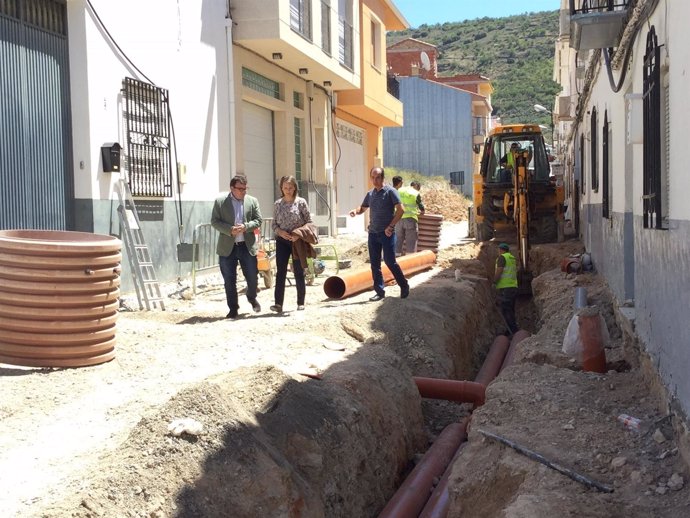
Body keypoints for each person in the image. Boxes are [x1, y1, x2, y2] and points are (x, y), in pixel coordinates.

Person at [349, 167, 410, 301]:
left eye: (377, 177)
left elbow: (401, 210)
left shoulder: (390, 192)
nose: (375, 180)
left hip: (386, 234)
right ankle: (380, 291)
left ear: (382, 178)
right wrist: (355, 211)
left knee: (390, 261)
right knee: (375, 264)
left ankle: (404, 285)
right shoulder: (370, 194)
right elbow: (363, 207)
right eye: (373, 177)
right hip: (373, 234)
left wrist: (391, 226)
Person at [211, 175, 263, 319]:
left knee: (252, 277)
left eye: (245, 188)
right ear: (232, 188)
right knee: (229, 280)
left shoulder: (252, 201)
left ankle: (251, 297)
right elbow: (214, 221)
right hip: (228, 247)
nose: (243, 191)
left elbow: (258, 220)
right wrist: (229, 229)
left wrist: (246, 227)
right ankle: (233, 308)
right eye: (240, 189)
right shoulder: (220, 202)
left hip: (247, 246)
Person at [270, 175, 315, 313]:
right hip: (282, 241)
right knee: (281, 272)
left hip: (297, 242)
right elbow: (274, 224)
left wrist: (297, 234)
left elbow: (309, 222)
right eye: (285, 188)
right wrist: (280, 232)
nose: (288, 190)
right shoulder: (278, 204)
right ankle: (278, 304)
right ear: (281, 188)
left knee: (298, 271)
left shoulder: (301, 202)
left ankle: (300, 302)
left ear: (295, 187)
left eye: (290, 188)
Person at [394, 180, 425, 256]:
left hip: (398, 218)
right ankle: (410, 260)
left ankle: (396, 259)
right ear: (417, 187)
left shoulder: (400, 190)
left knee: (398, 239)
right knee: (411, 241)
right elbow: (420, 205)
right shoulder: (415, 193)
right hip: (410, 220)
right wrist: (422, 211)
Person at [494, 242, 519, 335]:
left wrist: (494, 282)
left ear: (501, 250)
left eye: (498, 250)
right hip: (513, 287)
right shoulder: (511, 258)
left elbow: (499, 271)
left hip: (506, 288)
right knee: (510, 310)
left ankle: (513, 332)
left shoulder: (502, 258)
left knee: (506, 310)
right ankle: (511, 331)